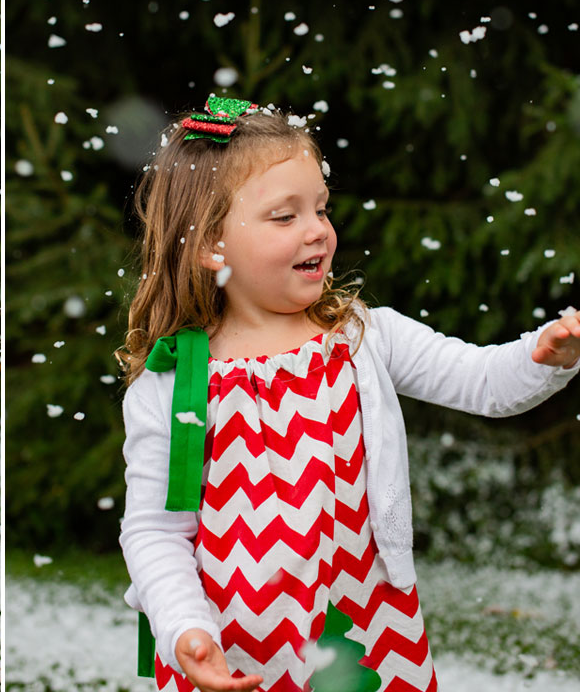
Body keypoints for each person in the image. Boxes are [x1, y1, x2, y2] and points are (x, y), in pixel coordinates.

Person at [118, 96, 580, 692]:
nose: (317, 230)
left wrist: (543, 354)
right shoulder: (175, 379)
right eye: (285, 217)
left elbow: (482, 381)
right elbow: (155, 531)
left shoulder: (363, 338)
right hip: (233, 648)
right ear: (212, 245)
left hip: (368, 629)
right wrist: (185, 628)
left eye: (320, 208)